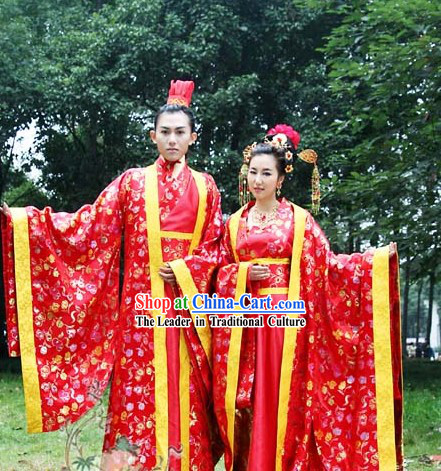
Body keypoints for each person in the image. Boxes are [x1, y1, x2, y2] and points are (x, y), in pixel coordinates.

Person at [2, 80, 223, 470]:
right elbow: (88, 226)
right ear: (153, 136)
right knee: (137, 397)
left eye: (180, 133)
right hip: (140, 316)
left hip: (190, 317)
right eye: (165, 132)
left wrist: (188, 270)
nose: (172, 140)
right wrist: (24, 222)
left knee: (186, 398)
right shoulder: (132, 183)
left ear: (193, 137)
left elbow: (216, 247)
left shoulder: (206, 187)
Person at [212, 124, 403, 470]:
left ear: (281, 178)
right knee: (250, 401)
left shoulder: (299, 221)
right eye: (253, 172)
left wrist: (373, 262)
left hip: (286, 326)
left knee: (282, 399)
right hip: (244, 324)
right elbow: (217, 270)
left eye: (266, 173)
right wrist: (240, 274)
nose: (258, 180)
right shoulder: (234, 223)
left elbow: (328, 267)